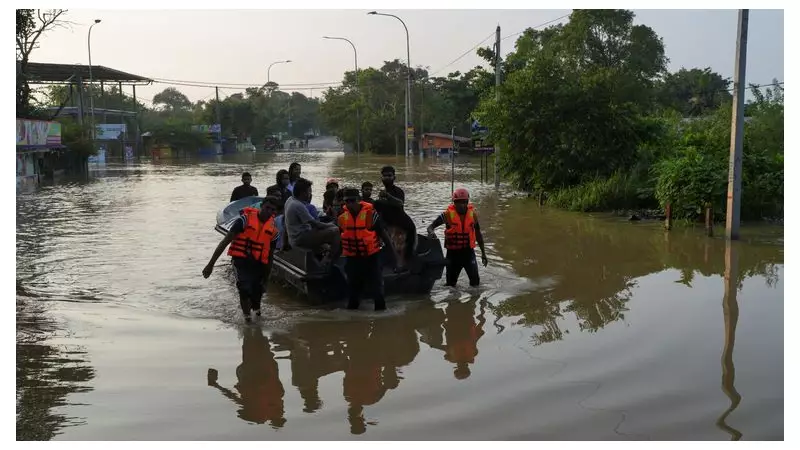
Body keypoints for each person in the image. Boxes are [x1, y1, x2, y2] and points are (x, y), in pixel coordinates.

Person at [202, 196, 280, 322]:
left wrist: (266, 278)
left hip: (259, 264)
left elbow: (270, 256)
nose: (269, 211)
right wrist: (210, 264)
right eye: (267, 208)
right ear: (261, 206)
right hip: (241, 261)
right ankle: (247, 320)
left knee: (257, 294)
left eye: (272, 210)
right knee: (244, 289)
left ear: (275, 212)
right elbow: (225, 242)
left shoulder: (274, 231)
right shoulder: (244, 220)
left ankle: (257, 316)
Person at [337, 187, 395, 311]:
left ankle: (381, 317)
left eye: (352, 200)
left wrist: (394, 256)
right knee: (353, 294)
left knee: (377, 291)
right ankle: (353, 319)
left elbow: (384, 236)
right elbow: (340, 240)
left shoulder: (371, 215)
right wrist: (332, 258)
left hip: (371, 257)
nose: (350, 204)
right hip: (352, 259)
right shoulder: (342, 218)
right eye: (347, 201)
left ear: (359, 200)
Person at [426, 188, 488, 287]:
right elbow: (430, 227)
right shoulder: (447, 215)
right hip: (453, 255)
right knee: (450, 286)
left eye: (464, 202)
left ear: (467, 202)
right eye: (458, 202)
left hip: (468, 254)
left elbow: (478, 235)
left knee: (476, 285)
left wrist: (483, 254)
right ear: (454, 203)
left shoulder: (473, 215)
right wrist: (431, 232)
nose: (461, 205)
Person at [284, 177, 341, 264]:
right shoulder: (298, 205)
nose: (310, 194)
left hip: (295, 236)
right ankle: (329, 260)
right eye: (309, 191)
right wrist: (332, 224)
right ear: (303, 193)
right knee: (336, 231)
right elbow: (316, 224)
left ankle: (321, 257)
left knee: (326, 239)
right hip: (300, 238)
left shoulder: (290, 199)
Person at [267, 186, 286, 251]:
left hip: (278, 247)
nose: (279, 198)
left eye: (280, 196)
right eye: (276, 195)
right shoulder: (260, 208)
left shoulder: (282, 210)